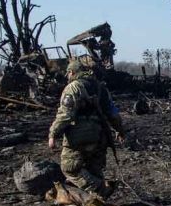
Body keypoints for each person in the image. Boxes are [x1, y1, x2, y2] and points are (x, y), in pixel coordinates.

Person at [48, 59, 125, 198]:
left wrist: (53, 134)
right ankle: (98, 204)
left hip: (79, 136)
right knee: (94, 169)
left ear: (72, 72)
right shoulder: (101, 88)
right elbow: (113, 113)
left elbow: (65, 115)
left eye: (68, 73)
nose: (67, 76)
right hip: (100, 136)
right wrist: (119, 130)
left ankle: (100, 189)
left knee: (69, 168)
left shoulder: (73, 87)